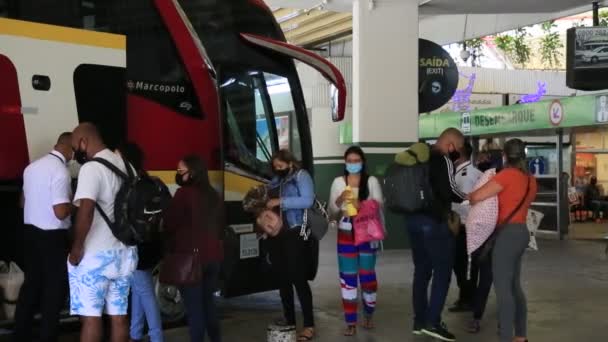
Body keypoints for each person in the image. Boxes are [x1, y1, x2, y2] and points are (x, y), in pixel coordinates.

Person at [68, 123, 138, 342]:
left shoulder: (91, 168)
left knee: (91, 318)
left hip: (96, 256)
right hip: (125, 254)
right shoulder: (128, 166)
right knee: (118, 316)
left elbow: (86, 211)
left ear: (83, 142)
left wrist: (77, 248)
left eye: (75, 148)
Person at [470, 139, 537, 342]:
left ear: (505, 156)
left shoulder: (507, 176)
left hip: (506, 235)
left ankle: (506, 337)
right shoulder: (530, 180)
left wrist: (474, 192)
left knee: (503, 290)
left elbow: (476, 197)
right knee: (515, 286)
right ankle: (520, 336)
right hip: (521, 233)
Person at [407, 127, 466, 342]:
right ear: (450, 144)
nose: (457, 152)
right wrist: (467, 196)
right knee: (442, 272)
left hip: (412, 221)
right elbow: (449, 189)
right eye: (457, 148)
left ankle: (419, 321)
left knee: (421, 272)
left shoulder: (417, 157)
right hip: (434, 222)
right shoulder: (443, 160)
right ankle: (433, 322)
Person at [14, 132, 74, 342]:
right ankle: (47, 337)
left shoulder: (31, 168)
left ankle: (19, 335)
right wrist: (75, 206)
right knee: (53, 290)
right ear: (67, 147)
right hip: (52, 237)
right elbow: (60, 211)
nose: (73, 156)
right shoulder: (61, 171)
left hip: (30, 233)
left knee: (31, 286)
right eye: (73, 150)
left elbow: (22, 201)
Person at [164, 155, 223, 342]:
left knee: (195, 309)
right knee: (209, 305)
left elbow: (170, 223)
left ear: (193, 173)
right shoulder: (213, 194)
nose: (178, 174)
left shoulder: (184, 194)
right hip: (213, 257)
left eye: (181, 171)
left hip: (192, 260)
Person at [328, 146, 384, 336]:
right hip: (345, 231)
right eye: (349, 161)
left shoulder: (371, 181)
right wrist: (339, 200)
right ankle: (350, 322)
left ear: (362, 161)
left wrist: (362, 205)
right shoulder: (338, 182)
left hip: (367, 232)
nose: (353, 164)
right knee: (348, 278)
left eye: (356, 160)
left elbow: (379, 204)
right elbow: (332, 211)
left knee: (368, 277)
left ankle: (369, 313)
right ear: (345, 162)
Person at [115, 143, 164, 342]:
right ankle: (135, 333)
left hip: (136, 245)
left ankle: (156, 336)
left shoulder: (128, 185)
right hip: (153, 243)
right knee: (139, 288)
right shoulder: (153, 182)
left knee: (144, 291)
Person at [266, 150, 317, 341]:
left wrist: (281, 201)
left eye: (281, 166)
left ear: (289, 163)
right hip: (276, 233)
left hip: (295, 231)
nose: (278, 169)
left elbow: (307, 200)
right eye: (275, 167)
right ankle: (290, 322)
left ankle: (309, 325)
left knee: (298, 278)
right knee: (283, 280)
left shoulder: (301, 176)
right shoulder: (275, 180)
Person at [449, 141, 482, 313]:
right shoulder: (465, 172)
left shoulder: (467, 175)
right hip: (462, 227)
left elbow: (466, 203)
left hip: (465, 227)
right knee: (462, 264)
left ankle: (468, 299)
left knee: (465, 265)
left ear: (460, 153)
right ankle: (466, 297)